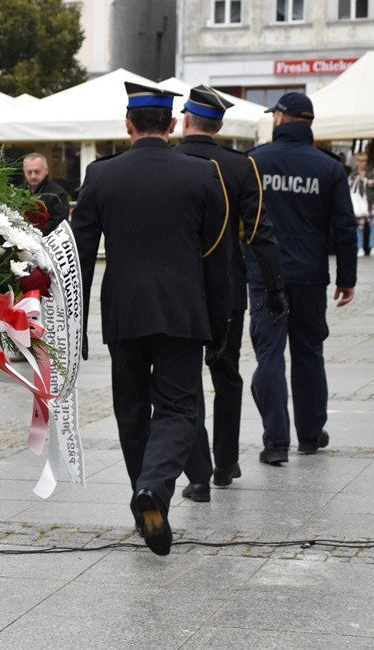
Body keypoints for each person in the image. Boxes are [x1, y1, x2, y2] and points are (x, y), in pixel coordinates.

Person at [72, 82, 230, 556]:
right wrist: (220, 328)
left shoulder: (101, 176)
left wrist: (74, 326)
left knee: (132, 410)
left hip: (124, 310)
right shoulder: (204, 175)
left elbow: (77, 258)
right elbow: (217, 261)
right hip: (183, 311)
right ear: (172, 124)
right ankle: (154, 490)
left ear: (128, 125)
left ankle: (147, 498)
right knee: (180, 408)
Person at [174, 85, 288, 499]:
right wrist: (275, 289)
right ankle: (225, 463)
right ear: (218, 124)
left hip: (179, 291)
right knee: (227, 377)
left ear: (186, 119)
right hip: (226, 288)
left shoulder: (169, 162)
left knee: (183, 381)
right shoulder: (242, 167)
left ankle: (199, 474)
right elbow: (261, 234)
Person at [248, 92, 357, 466]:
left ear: (280, 118)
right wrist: (347, 277)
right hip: (311, 275)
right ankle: (310, 435)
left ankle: (276, 441)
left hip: (265, 276)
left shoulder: (255, 161)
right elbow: (344, 226)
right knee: (309, 353)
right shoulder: (328, 167)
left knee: (270, 354)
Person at [22, 152, 69, 234]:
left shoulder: (58, 194)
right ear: (24, 172)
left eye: (37, 172)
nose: (33, 176)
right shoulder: (17, 192)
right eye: (29, 172)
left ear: (46, 170)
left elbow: (59, 224)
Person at [350, 152, 374, 257]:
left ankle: (373, 247)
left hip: (371, 203)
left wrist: (366, 180)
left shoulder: (371, 172)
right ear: (357, 162)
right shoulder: (353, 174)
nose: (364, 163)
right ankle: (359, 248)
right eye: (361, 161)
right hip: (358, 204)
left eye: (365, 161)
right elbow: (348, 186)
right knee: (359, 226)